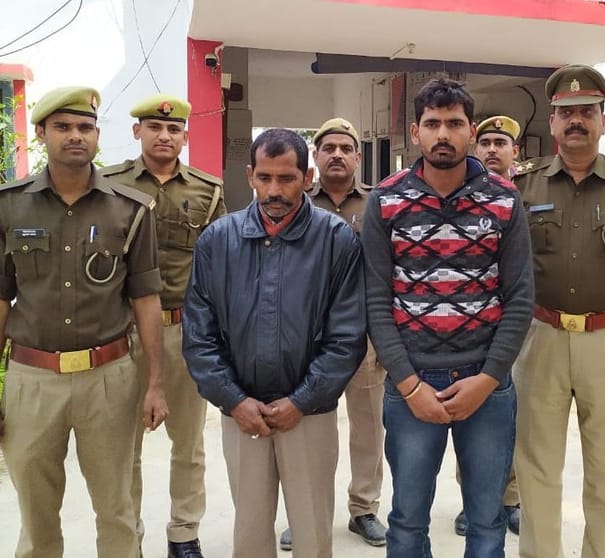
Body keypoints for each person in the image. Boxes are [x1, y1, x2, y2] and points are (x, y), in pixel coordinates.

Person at [362, 78, 534, 558]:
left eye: (454, 123)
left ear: (471, 131)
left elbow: (520, 298)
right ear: (415, 131)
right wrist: (409, 385)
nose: (443, 134)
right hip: (412, 384)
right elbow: (376, 300)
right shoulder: (386, 200)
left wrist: (488, 379)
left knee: (487, 521)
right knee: (407, 521)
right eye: (433, 123)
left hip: (486, 386)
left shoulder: (504, 199)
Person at [182, 128, 367, 558]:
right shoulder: (217, 241)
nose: (274, 190)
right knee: (249, 532)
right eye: (264, 178)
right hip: (241, 414)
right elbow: (198, 336)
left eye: (286, 178)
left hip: (310, 414)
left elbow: (347, 336)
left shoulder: (336, 240)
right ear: (250, 175)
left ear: (307, 177)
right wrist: (234, 400)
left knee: (313, 532)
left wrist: (301, 400)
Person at [0, 86, 167, 558]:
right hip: (32, 380)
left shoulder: (131, 209)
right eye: (63, 127)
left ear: (97, 135)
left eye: (85, 127)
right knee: (36, 515)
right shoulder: (9, 206)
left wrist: (155, 384)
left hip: (109, 378)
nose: (75, 135)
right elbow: (1, 298)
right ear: (41, 133)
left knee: (117, 509)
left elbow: (146, 300)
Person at [513, 64, 605, 558]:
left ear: (603, 121)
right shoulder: (523, 185)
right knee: (536, 468)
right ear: (553, 123)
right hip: (541, 337)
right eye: (566, 113)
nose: (575, 120)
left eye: (586, 111)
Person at [101, 94, 225, 558]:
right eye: (154, 127)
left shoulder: (208, 191)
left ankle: (184, 533)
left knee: (188, 443)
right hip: (123, 333)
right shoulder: (109, 186)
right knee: (122, 446)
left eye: (174, 129)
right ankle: (128, 535)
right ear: (138, 132)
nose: (164, 136)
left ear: (185, 136)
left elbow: (219, 265)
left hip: (184, 331)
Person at [278, 117, 386, 552]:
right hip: (306, 337)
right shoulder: (294, 202)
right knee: (306, 431)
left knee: (368, 427)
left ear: (358, 157)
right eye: (328, 148)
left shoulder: (378, 204)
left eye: (345, 148)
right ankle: (303, 513)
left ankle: (364, 508)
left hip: (362, 336)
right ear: (315, 157)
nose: (337, 155)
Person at [453, 114, 523, 537]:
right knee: (474, 417)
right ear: (475, 147)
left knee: (512, 418)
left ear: (516, 151)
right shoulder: (464, 195)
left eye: (501, 143)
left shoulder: (526, 195)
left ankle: (509, 498)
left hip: (521, 322)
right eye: (486, 143)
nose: (493, 150)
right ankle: (473, 499)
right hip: (477, 329)